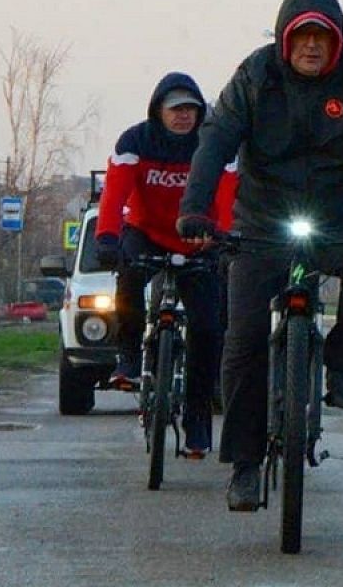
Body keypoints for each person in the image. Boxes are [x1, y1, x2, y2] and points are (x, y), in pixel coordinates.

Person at [177, 0, 343, 512]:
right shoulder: (255, 75)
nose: (312, 46)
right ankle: (244, 465)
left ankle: (342, 362)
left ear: (336, 40)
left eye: (322, 36)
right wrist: (194, 209)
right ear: (286, 38)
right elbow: (216, 137)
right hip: (263, 222)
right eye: (302, 36)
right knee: (241, 340)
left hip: (341, 217)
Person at [94, 72, 237, 459]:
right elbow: (115, 190)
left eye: (190, 109)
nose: (183, 116)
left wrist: (223, 235)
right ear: (159, 110)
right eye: (175, 109)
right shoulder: (136, 141)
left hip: (197, 239)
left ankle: (197, 421)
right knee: (129, 275)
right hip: (147, 232)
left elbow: (227, 192)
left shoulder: (212, 143)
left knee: (208, 328)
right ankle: (127, 357)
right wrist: (107, 236)